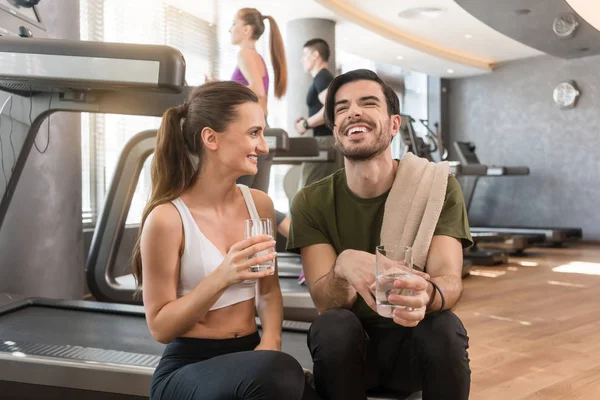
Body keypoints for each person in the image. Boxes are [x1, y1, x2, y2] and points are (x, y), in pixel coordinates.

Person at [286, 69, 473, 400]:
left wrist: (427, 293)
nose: (353, 111)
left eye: (367, 103)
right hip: (350, 356)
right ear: (335, 131)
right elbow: (325, 303)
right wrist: (342, 269)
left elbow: (450, 281)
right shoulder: (311, 201)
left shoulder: (437, 188)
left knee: (445, 326)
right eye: (342, 108)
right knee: (333, 326)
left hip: (413, 346)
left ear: (394, 124)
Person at [131, 81, 317, 400]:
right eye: (253, 133)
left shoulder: (259, 205)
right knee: (283, 374)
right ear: (211, 138)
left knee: (290, 379)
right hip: (189, 365)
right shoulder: (167, 219)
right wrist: (223, 276)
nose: (264, 147)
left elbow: (268, 292)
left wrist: (271, 340)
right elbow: (160, 327)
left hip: (251, 356)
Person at [228, 7, 291, 239]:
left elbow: (256, 90)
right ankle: (306, 244)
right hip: (260, 129)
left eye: (233, 24)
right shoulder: (257, 58)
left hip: (251, 133)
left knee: (241, 199)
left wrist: (223, 89)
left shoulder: (245, 55)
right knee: (255, 202)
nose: (230, 29)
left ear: (246, 29)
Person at [294, 38, 342, 188]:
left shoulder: (322, 77)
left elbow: (331, 108)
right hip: (327, 141)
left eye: (305, 55)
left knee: (306, 192)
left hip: (325, 142)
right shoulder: (323, 78)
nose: (302, 59)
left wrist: (306, 123)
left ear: (315, 55)